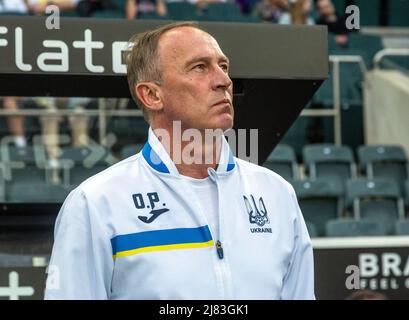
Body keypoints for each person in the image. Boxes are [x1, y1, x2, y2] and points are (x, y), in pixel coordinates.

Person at [44, 21, 315, 299]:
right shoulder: (96, 202)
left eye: (223, 66)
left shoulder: (277, 194)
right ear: (151, 95)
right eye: (199, 67)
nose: (224, 81)